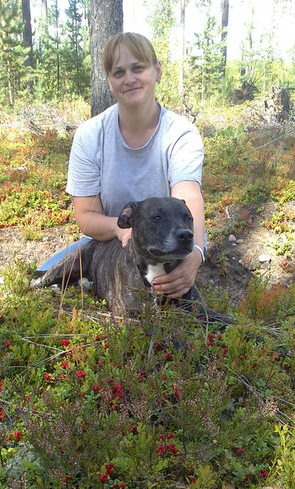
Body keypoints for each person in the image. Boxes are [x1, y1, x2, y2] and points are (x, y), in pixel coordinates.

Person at [38, 32, 206, 299]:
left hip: (165, 244)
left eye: (138, 68)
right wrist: (120, 228)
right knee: (44, 274)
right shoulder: (90, 135)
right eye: (119, 72)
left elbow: (188, 198)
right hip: (107, 242)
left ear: (157, 71)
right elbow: (85, 216)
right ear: (109, 81)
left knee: (188, 298)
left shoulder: (181, 133)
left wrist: (195, 254)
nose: (129, 79)